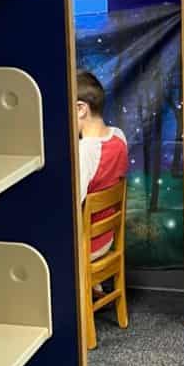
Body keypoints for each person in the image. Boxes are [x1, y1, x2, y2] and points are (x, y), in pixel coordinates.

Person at [77, 69, 129, 261]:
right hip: (107, 237)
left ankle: (82, 288)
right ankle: (94, 286)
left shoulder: (85, 151)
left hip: (88, 245)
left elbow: (74, 205)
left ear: (82, 109)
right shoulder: (118, 136)